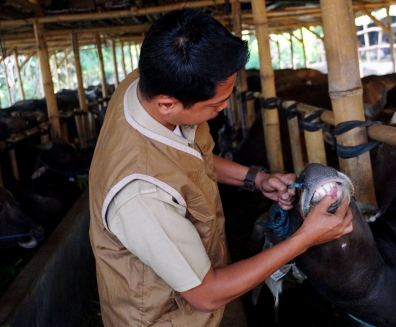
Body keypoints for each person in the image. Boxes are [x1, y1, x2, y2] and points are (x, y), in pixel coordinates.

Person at [88, 8, 353, 327]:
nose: (224, 108)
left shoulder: (145, 83)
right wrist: (306, 237)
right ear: (167, 104)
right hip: (168, 318)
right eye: (215, 105)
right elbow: (207, 294)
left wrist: (256, 178)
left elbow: (184, 159)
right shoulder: (140, 197)